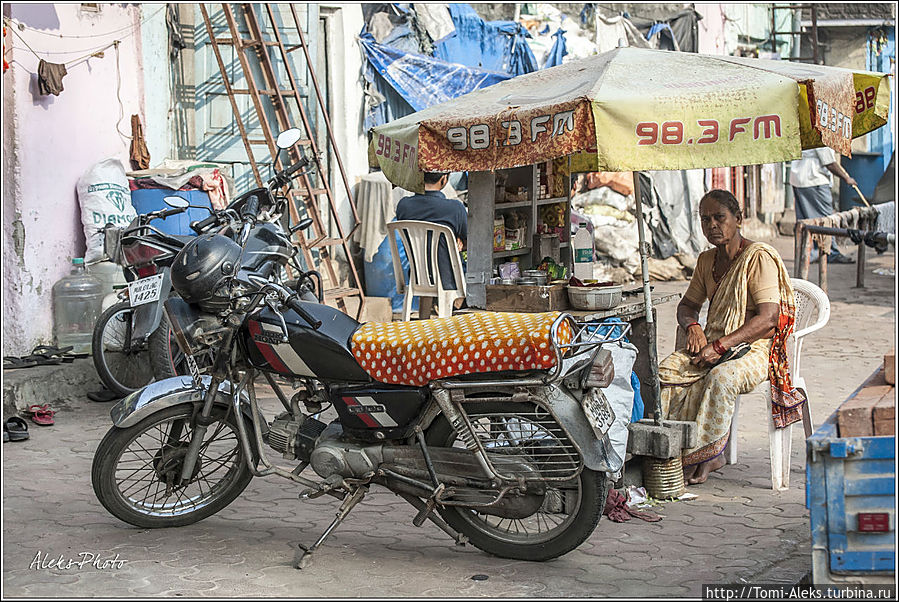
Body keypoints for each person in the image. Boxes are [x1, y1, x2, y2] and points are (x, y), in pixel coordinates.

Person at [660, 189, 806, 485]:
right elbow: (687, 305)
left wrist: (719, 346)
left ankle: (710, 454)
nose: (712, 225)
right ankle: (668, 452)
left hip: (755, 351)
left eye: (719, 217)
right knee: (665, 372)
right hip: (714, 346)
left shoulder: (758, 257)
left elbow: (768, 318)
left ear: (738, 219)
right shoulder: (706, 261)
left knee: (722, 377)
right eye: (705, 219)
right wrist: (693, 326)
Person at [394, 171, 468, 314]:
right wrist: (457, 241)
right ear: (444, 179)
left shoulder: (404, 205)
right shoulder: (454, 208)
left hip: (418, 276)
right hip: (448, 278)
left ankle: (425, 316)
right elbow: (471, 241)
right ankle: (457, 307)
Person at [790, 147, 858, 264]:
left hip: (799, 178)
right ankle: (830, 252)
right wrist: (846, 178)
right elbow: (829, 162)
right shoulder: (821, 137)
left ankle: (808, 253)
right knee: (826, 219)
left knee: (806, 220)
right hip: (814, 179)